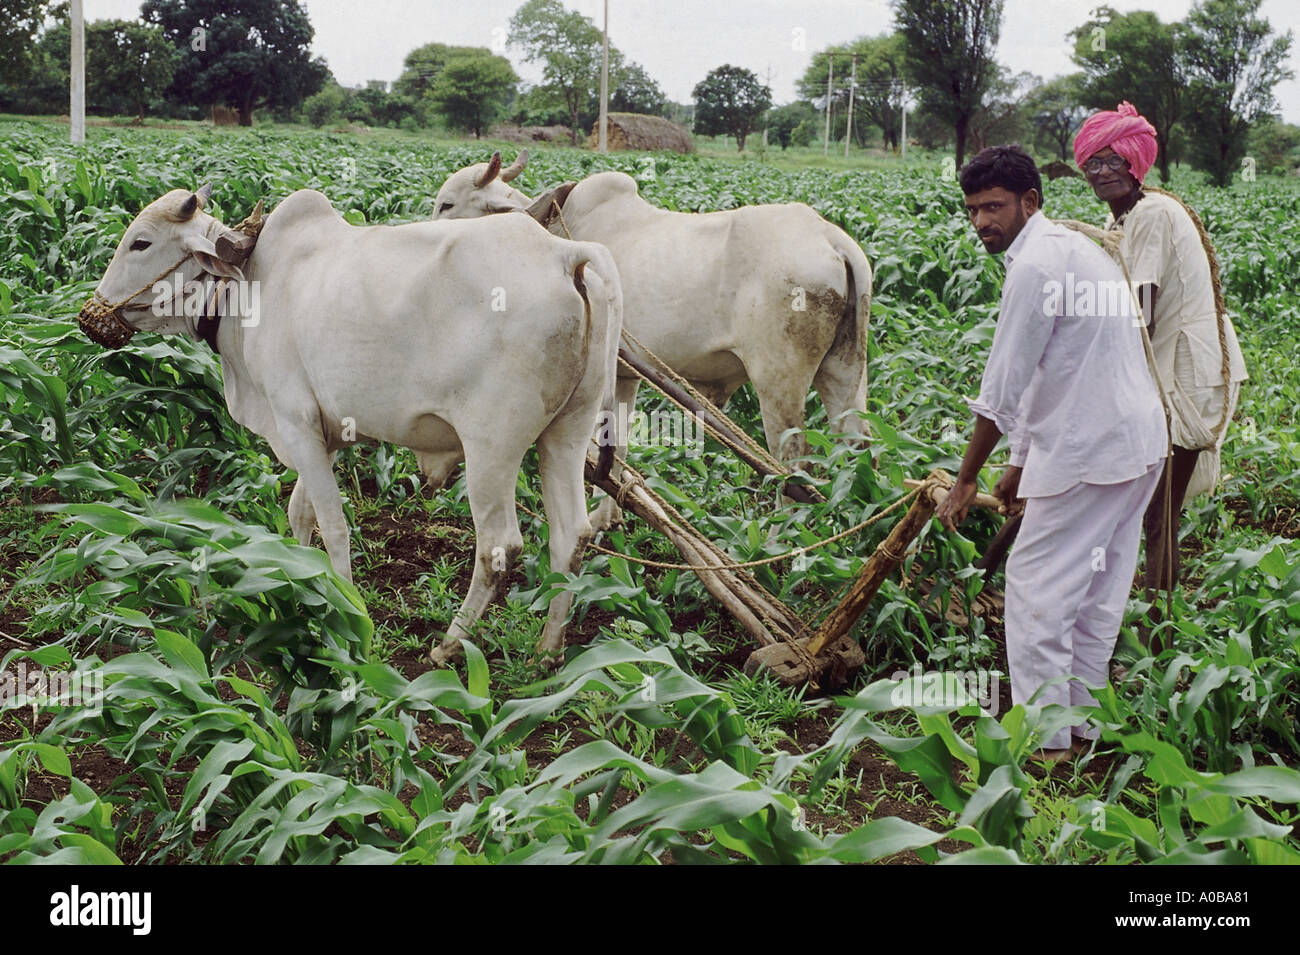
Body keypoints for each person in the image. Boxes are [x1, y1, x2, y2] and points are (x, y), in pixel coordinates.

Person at [936, 145, 1166, 762]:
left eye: (994, 207)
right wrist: (1018, 465)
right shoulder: (1072, 249)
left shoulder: (1034, 266)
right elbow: (1056, 370)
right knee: (1096, 586)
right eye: (973, 210)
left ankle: (1044, 745)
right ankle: (1085, 728)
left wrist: (965, 481)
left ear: (1030, 202)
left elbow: (1003, 388)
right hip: (1137, 444)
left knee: (1035, 587)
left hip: (1090, 451)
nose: (982, 221)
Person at [1073, 103, 1248, 624]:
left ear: (1134, 162)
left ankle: (1158, 632)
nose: (1101, 172)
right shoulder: (1128, 214)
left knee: (1158, 514)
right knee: (1154, 511)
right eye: (1092, 164)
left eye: (1111, 161)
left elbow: (1138, 313)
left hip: (1187, 381)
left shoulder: (1150, 214)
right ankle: (1155, 621)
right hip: (1174, 373)